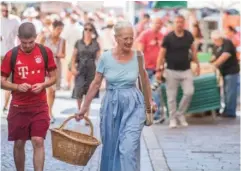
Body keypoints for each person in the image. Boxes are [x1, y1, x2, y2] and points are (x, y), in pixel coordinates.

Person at [75, 21, 153, 171]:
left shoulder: (138, 56)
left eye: (131, 38)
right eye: (125, 38)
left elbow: (145, 81)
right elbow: (96, 84)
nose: (129, 41)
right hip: (112, 105)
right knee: (111, 148)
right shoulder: (106, 57)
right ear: (116, 38)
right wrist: (84, 108)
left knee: (128, 148)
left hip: (134, 105)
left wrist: (149, 102)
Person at [0, 22, 57, 171]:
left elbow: (54, 77)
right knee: (19, 143)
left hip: (39, 106)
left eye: (31, 42)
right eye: (24, 43)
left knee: (38, 141)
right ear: (18, 38)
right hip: (19, 107)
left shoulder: (45, 52)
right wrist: (16, 87)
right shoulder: (11, 55)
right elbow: (2, 81)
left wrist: (43, 85)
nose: (27, 46)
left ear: (36, 37)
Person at [156, 15, 200, 128]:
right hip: (171, 70)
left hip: (186, 69)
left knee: (189, 92)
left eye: (181, 22)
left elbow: (193, 50)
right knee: (171, 97)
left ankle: (180, 113)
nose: (179, 24)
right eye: (177, 22)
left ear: (184, 23)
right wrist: (158, 70)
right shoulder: (168, 37)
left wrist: (198, 64)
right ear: (174, 24)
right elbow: (161, 55)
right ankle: (172, 119)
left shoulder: (188, 35)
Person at [71, 22, 100, 125]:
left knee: (89, 93)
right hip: (80, 69)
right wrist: (73, 68)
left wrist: (100, 73)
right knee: (79, 91)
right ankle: (80, 111)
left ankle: (87, 115)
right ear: (83, 30)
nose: (87, 31)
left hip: (91, 70)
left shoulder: (95, 44)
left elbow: (99, 59)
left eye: (90, 29)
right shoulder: (78, 43)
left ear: (92, 31)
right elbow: (74, 56)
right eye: (86, 29)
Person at [137, 18, 164, 123]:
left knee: (155, 91)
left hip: (157, 70)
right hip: (145, 69)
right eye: (156, 23)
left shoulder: (163, 36)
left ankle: (156, 115)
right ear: (152, 23)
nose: (158, 25)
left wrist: (161, 68)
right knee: (144, 93)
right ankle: (143, 114)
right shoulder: (145, 35)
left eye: (160, 23)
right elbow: (139, 51)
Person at [40, 20, 65, 123]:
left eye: (61, 29)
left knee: (53, 92)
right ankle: (47, 113)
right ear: (53, 28)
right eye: (58, 29)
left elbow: (63, 54)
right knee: (47, 91)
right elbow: (37, 51)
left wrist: (59, 55)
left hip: (56, 68)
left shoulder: (62, 40)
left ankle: (49, 111)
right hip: (44, 67)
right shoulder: (44, 38)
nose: (59, 31)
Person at [210, 30, 240, 118]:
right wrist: (209, 63)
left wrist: (214, 65)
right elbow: (214, 56)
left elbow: (224, 57)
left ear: (220, 38)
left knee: (230, 92)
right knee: (226, 92)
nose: (214, 42)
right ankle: (226, 110)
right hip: (223, 72)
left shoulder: (227, 43)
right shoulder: (216, 46)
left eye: (215, 40)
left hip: (231, 71)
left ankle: (230, 112)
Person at [1, 1, 20, 116]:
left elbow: (20, 37)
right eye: (2, 10)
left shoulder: (15, 20)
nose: (4, 12)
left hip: (10, 54)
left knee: (8, 82)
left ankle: (5, 106)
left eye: (6, 10)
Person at [60, 13, 83, 90]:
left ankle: (69, 84)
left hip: (69, 51)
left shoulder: (67, 28)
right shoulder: (80, 28)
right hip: (78, 51)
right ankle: (72, 84)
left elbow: (63, 40)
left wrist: (62, 51)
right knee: (75, 67)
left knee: (68, 68)